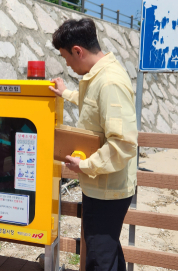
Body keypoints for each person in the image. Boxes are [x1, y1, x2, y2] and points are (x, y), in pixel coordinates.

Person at [48, 18, 138, 271]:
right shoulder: (98, 77)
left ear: (78, 50)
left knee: (99, 258)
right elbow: (93, 105)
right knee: (106, 250)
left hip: (107, 189)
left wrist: (85, 164)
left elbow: (124, 144)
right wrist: (65, 93)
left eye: (66, 57)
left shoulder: (109, 82)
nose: (66, 63)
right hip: (101, 184)